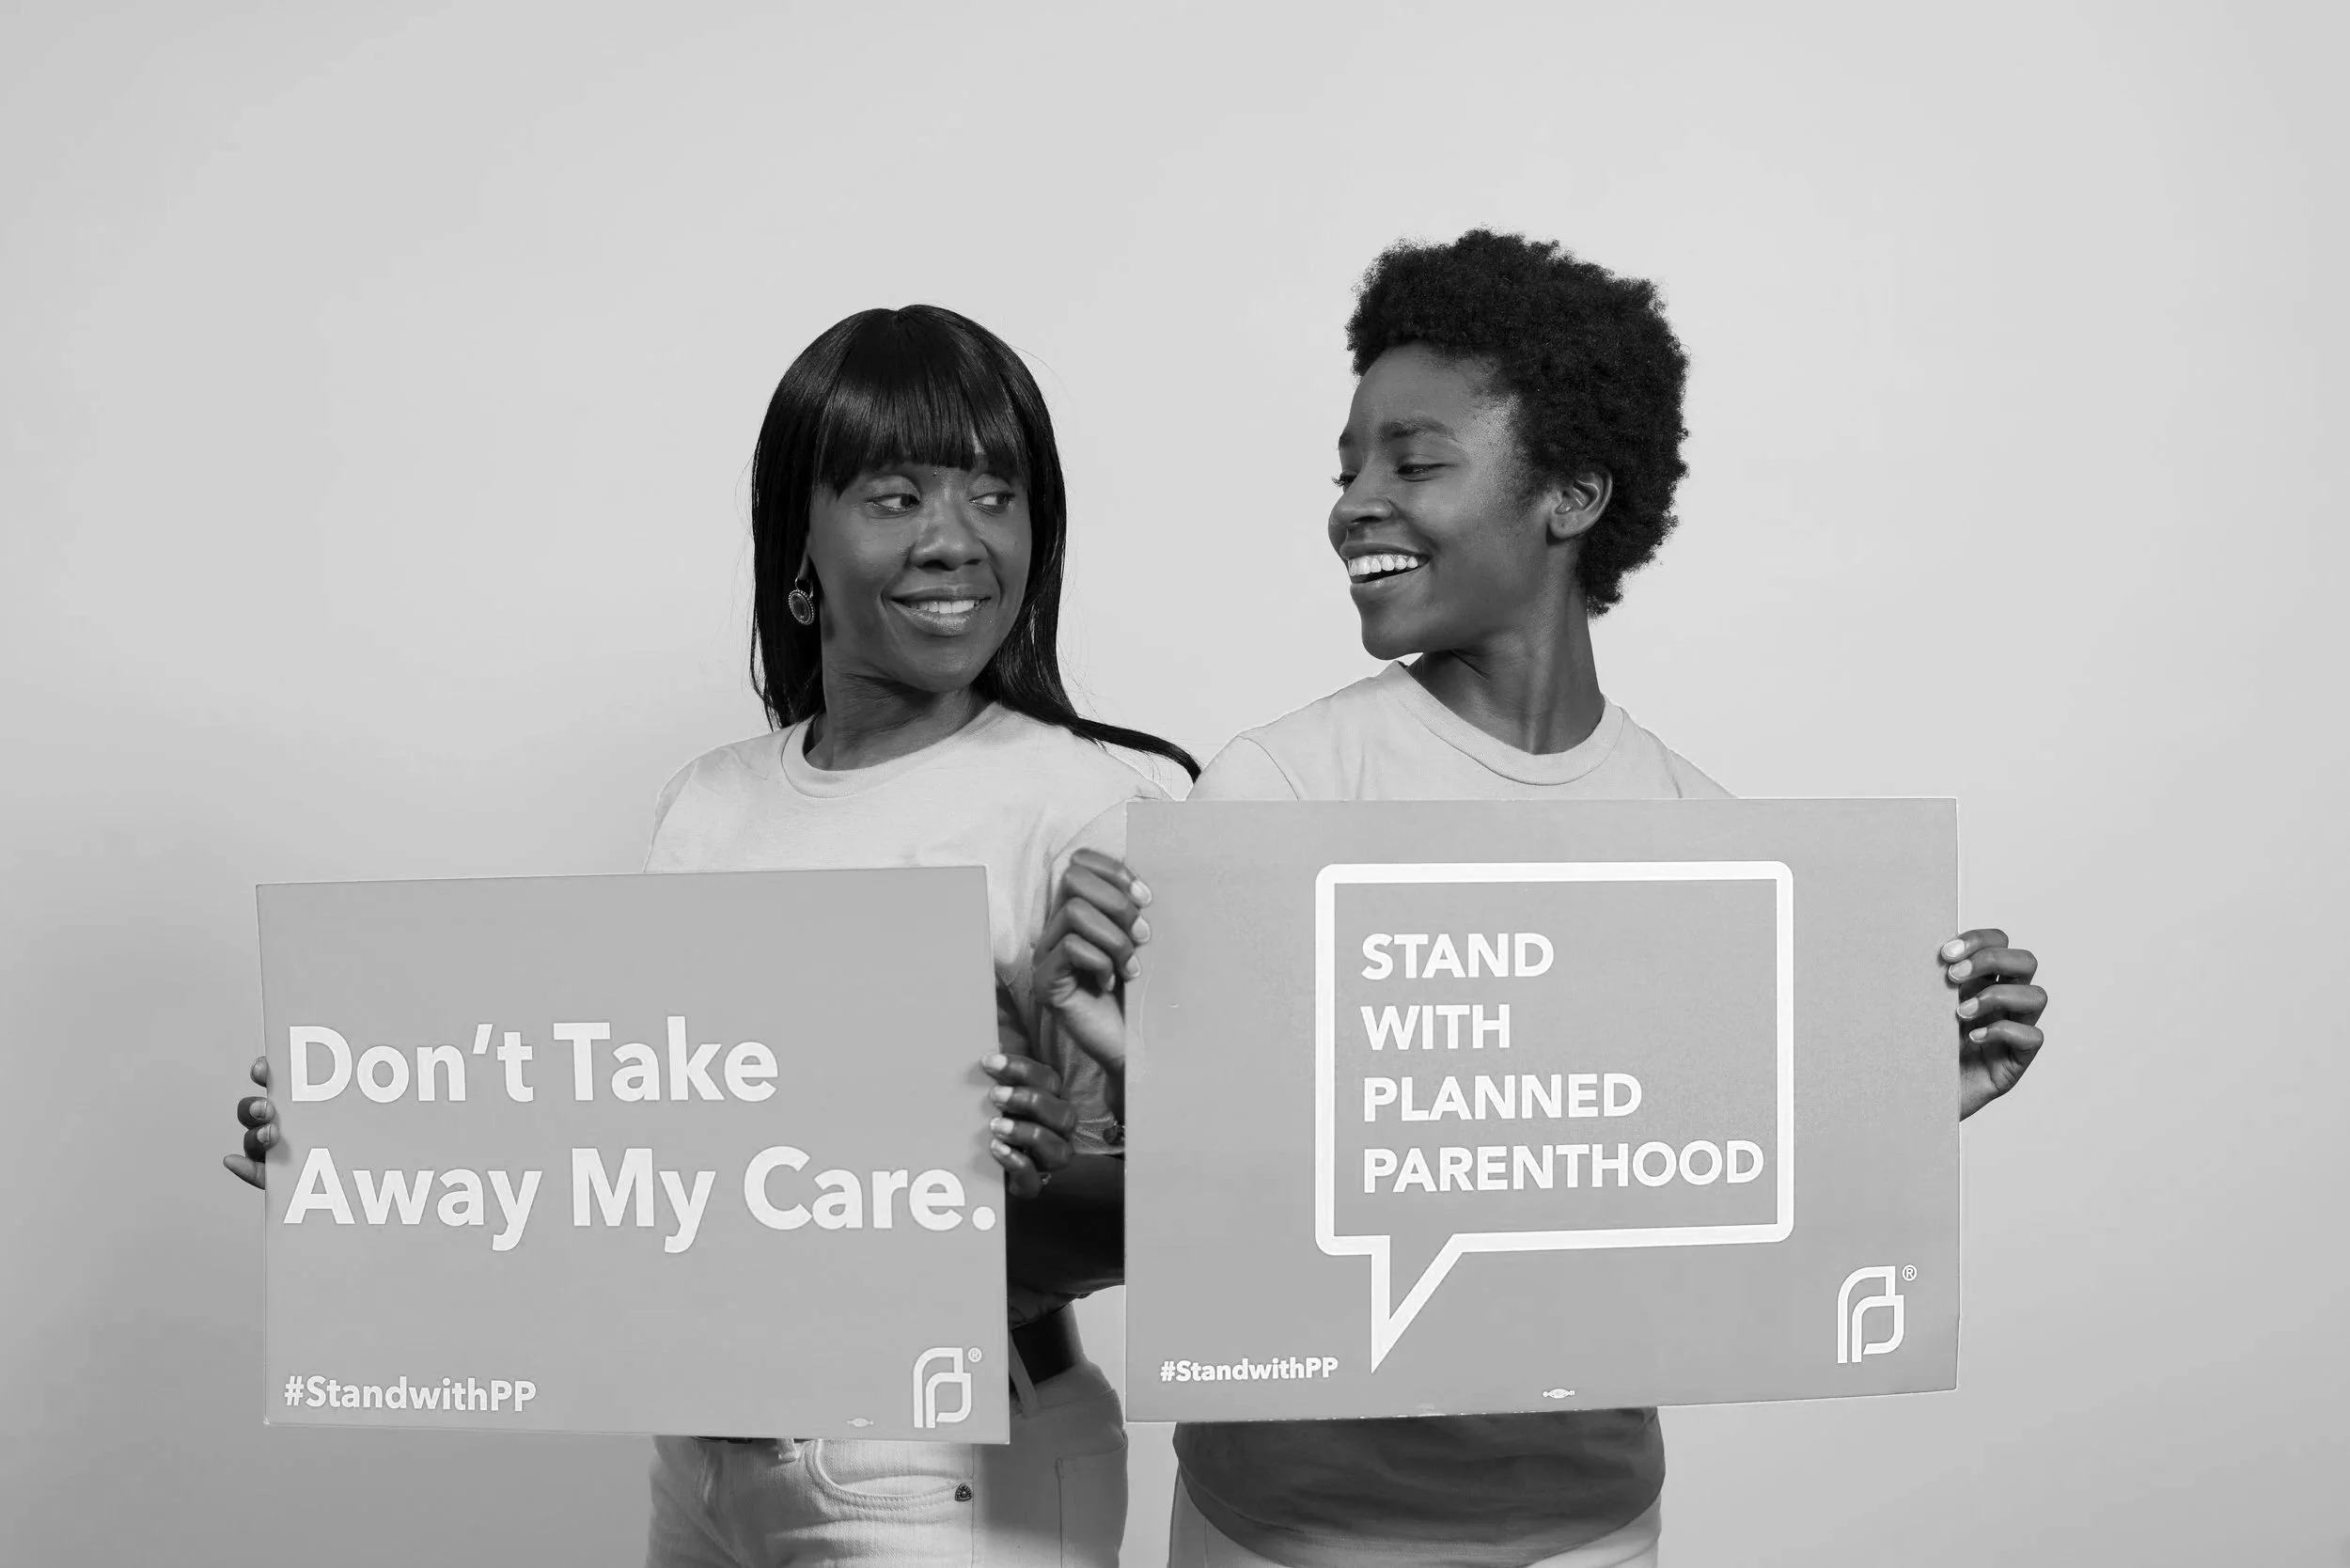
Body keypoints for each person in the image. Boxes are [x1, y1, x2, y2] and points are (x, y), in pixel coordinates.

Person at [1032, 230, 2053, 1568]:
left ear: (1571, 493)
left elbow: (1697, 1209)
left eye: (1415, 460)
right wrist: (1136, 1072)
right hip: (1285, 1533)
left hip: (1586, 1529)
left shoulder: (1703, 837)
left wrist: (1900, 1111)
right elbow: (1230, 1210)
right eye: (1348, 467)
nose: (1354, 503)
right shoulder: (1274, 791)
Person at [227, 303, 1197, 1567]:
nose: (956, 541)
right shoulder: (711, 802)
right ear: (799, 536)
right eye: (895, 498)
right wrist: (372, 1144)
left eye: (997, 497)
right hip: (704, 1464)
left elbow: (1186, 1213)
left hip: (944, 1467)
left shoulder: (1093, 811)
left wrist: (993, 1174)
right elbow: (652, 1146)